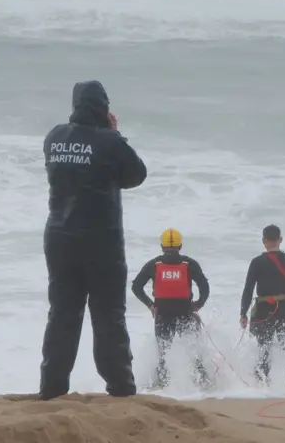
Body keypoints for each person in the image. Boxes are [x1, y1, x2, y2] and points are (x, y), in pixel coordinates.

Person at [39, 80, 148, 400]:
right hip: (101, 242)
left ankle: (52, 388)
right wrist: (114, 134)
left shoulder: (54, 137)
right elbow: (136, 175)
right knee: (108, 314)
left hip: (59, 238)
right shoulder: (108, 141)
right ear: (103, 106)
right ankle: (121, 387)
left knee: (62, 314)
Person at [130, 228, 211, 389]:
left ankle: (160, 385)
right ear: (180, 246)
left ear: (162, 246)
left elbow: (136, 286)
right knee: (194, 350)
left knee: (162, 353)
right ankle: (203, 383)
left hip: (163, 314)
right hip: (186, 313)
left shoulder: (154, 264)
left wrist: (150, 305)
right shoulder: (189, 263)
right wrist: (198, 304)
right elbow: (204, 286)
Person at [239, 224, 285, 388]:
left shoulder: (257, 262)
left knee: (264, 346)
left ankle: (263, 384)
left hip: (264, 311)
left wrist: (243, 313)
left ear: (264, 241)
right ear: (280, 240)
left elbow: (248, 289)